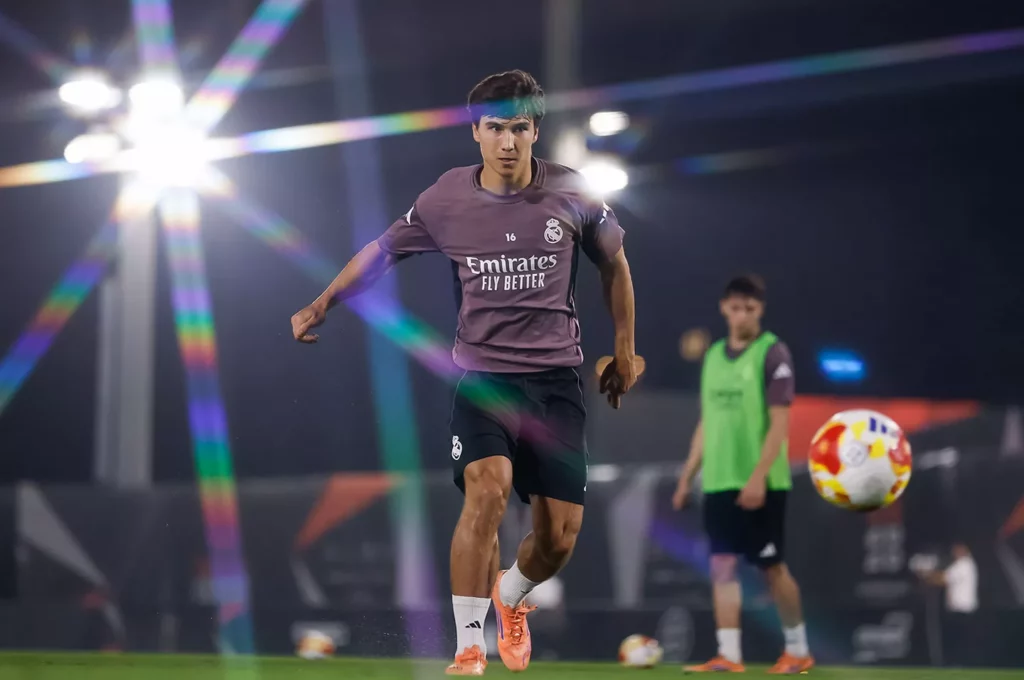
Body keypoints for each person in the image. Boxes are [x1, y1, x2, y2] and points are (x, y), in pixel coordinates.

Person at [290, 70, 638, 676]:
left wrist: (626, 350)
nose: (508, 141)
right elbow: (380, 253)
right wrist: (323, 301)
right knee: (486, 493)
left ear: (536, 132)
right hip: (484, 382)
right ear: (475, 132)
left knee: (558, 539)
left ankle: (510, 597)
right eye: (496, 128)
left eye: (520, 129)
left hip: (556, 383)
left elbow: (615, 264)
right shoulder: (444, 199)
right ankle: (467, 648)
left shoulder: (572, 192)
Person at [672, 274, 813, 674]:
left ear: (760, 310)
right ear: (724, 308)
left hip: (762, 482)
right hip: (718, 481)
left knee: (772, 567)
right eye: (735, 307)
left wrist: (758, 478)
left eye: (749, 308)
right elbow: (707, 422)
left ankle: (798, 650)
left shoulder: (773, 353)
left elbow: (780, 423)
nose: (741, 315)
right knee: (722, 567)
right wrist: (687, 478)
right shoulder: (714, 355)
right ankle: (729, 655)